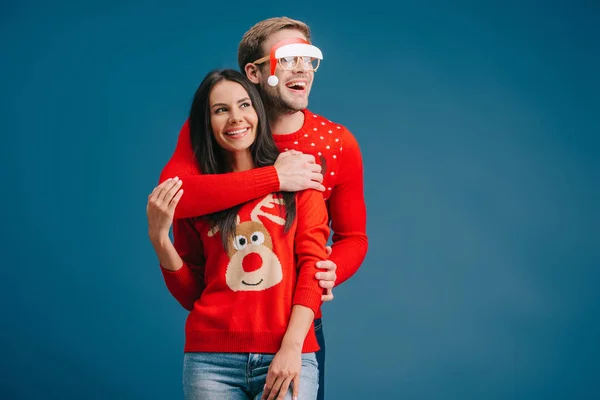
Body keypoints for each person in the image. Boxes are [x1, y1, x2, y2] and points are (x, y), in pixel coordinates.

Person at [159, 17, 368, 399]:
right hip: (220, 335)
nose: (302, 68)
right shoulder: (217, 128)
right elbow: (178, 198)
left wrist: (326, 272)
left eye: (308, 58)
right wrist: (274, 178)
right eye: (288, 58)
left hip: (296, 323)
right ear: (253, 72)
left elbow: (353, 237)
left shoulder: (336, 143)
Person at [147, 69, 329, 399]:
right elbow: (193, 295)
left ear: (258, 110)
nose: (236, 118)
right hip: (210, 362)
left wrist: (292, 349)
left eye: (244, 104)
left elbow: (313, 270)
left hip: (288, 352)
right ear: (206, 122)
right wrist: (161, 241)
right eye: (221, 110)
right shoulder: (200, 195)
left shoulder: (299, 175)